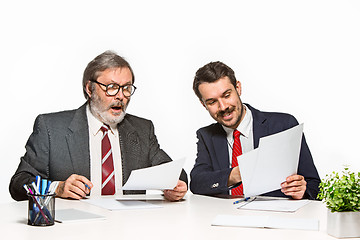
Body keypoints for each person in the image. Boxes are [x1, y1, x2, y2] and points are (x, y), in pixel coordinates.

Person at [9, 50, 188, 201]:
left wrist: (175, 187)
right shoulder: (51, 128)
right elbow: (19, 183)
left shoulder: (142, 129)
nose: (120, 96)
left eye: (126, 88)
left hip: (129, 227)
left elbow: (175, 174)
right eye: (111, 87)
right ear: (89, 88)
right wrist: (57, 188)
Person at [190, 61, 320, 200]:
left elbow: (315, 186)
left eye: (227, 95)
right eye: (212, 102)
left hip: (275, 217)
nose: (223, 107)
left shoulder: (284, 125)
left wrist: (303, 191)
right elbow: (197, 183)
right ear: (203, 104)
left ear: (238, 88)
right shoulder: (206, 135)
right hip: (227, 216)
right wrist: (234, 175)